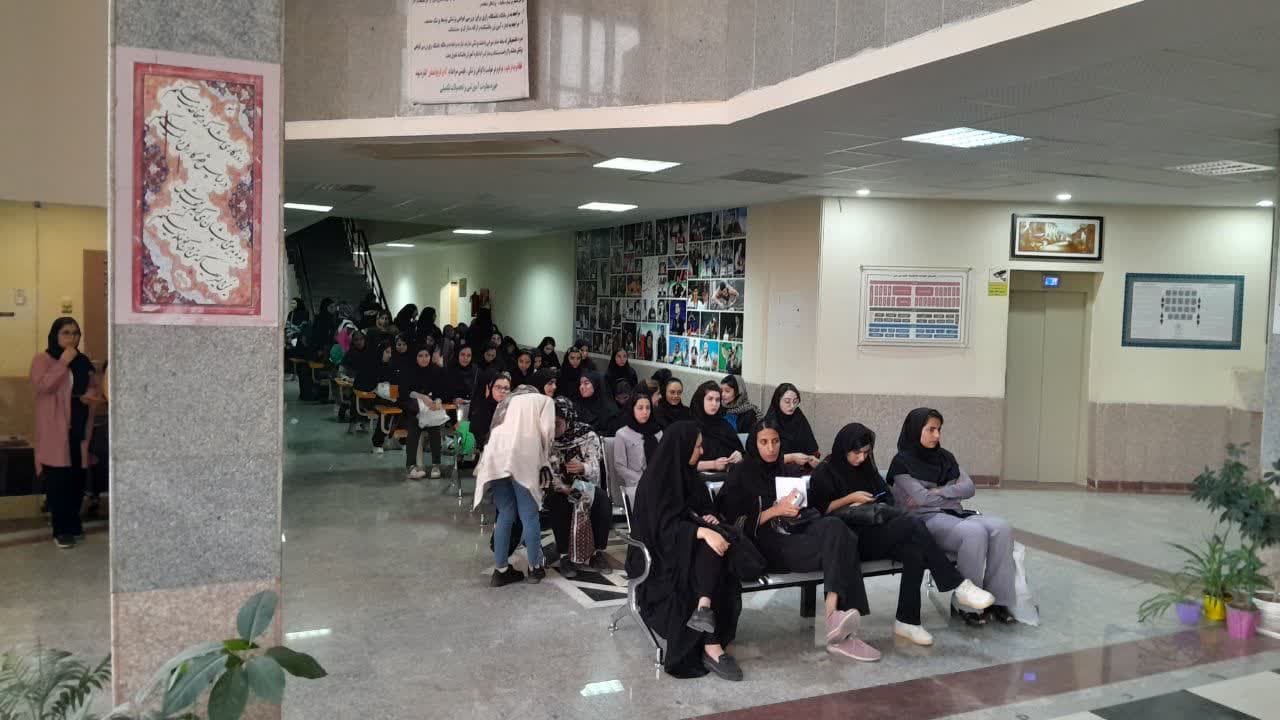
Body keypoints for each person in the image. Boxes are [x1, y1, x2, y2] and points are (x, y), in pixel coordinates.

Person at [809, 423, 995, 644]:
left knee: (913, 549)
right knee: (912, 524)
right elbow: (819, 510)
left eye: (866, 453)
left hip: (873, 530)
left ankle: (908, 621)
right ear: (843, 448)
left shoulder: (866, 469)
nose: (861, 458)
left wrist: (875, 503)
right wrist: (851, 499)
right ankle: (957, 584)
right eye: (856, 452)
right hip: (847, 541)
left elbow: (887, 497)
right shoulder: (825, 471)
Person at [716, 419, 879, 662]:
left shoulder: (787, 470)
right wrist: (775, 510)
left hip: (796, 530)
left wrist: (798, 506)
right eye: (764, 442)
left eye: (775, 441)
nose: (771, 448)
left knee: (838, 529)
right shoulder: (741, 474)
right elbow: (732, 522)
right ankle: (839, 633)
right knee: (841, 548)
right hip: (766, 543)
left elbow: (811, 508)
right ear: (754, 444)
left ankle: (832, 613)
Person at [626, 421, 744, 680]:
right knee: (707, 554)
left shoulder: (690, 477)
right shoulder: (655, 482)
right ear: (682, 447)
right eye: (698, 446)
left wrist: (709, 518)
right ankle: (712, 644)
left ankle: (704, 611)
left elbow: (704, 508)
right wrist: (700, 531)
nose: (702, 451)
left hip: (687, 550)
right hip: (659, 558)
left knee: (715, 550)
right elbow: (659, 530)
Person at [889, 408, 1020, 625]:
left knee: (1002, 527)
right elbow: (921, 499)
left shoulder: (946, 458)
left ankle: (998, 600)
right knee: (974, 533)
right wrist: (950, 493)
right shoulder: (902, 462)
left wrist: (938, 491)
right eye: (931, 430)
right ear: (915, 429)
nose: (937, 435)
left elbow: (969, 488)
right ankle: (966, 605)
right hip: (925, 520)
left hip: (955, 514)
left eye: (939, 430)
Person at [30, 318, 101, 549]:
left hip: (79, 427)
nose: (72, 338)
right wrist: (63, 362)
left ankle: (73, 524)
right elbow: (43, 386)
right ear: (55, 335)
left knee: (76, 480)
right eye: (66, 333)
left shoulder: (83, 361)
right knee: (58, 482)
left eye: (76, 333)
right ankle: (61, 530)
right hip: (55, 429)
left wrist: (89, 396)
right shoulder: (42, 360)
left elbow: (93, 386)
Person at [474, 387, 555, 586]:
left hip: (496, 456)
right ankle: (535, 568)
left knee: (505, 513)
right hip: (523, 454)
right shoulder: (544, 400)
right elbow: (547, 432)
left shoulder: (506, 401)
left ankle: (500, 570)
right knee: (529, 515)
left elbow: (492, 430)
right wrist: (545, 460)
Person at [545, 397, 613, 578]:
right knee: (558, 502)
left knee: (602, 500)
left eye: (557, 423)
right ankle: (565, 555)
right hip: (560, 489)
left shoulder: (587, 435)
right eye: (550, 423)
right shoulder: (547, 438)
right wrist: (563, 487)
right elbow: (548, 472)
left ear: (568, 419)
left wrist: (583, 467)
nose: (553, 428)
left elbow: (596, 468)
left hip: (585, 487)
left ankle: (597, 552)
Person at [400, 348, 446, 480]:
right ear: (415, 357)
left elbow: (441, 391)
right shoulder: (409, 370)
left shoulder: (435, 370)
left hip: (430, 409)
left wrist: (438, 400)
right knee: (414, 427)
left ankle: (436, 465)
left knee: (435, 427)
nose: (424, 358)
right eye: (420, 355)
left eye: (427, 355)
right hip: (414, 409)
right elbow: (405, 392)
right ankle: (411, 466)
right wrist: (422, 397)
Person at [612, 394, 662, 501]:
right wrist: (643, 479)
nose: (645, 412)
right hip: (636, 484)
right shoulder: (622, 434)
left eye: (648, 408)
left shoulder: (658, 433)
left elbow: (663, 460)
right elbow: (620, 466)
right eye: (640, 408)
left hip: (658, 481)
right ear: (632, 410)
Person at [688, 381, 743, 472]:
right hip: (699, 477)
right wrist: (713, 464)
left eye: (717, 400)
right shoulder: (689, 427)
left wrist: (739, 455)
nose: (714, 404)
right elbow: (682, 464)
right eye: (710, 399)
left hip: (727, 475)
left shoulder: (723, 425)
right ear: (701, 400)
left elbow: (741, 451)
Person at [765, 383, 820, 470]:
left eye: (795, 401)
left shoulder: (798, 416)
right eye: (787, 401)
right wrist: (792, 457)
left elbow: (811, 446)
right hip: (776, 471)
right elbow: (765, 459)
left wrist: (810, 458)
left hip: (801, 469)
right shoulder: (769, 423)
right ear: (777, 401)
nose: (792, 406)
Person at [468, 371, 511, 451]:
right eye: (498, 387)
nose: (502, 391)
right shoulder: (482, 410)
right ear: (491, 389)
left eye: (506, 388)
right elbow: (479, 437)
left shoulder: (513, 410)